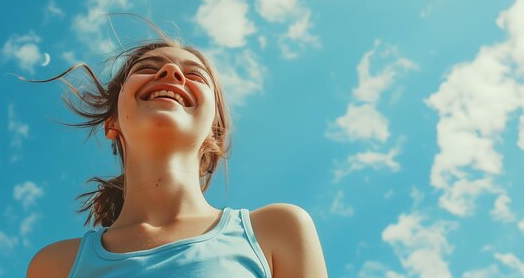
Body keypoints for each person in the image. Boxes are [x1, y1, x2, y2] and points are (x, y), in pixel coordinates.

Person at [26, 23, 328, 277]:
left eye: (195, 75)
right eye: (146, 68)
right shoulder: (56, 265)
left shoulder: (277, 231)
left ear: (213, 132)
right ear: (112, 122)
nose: (171, 72)